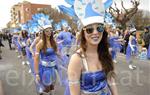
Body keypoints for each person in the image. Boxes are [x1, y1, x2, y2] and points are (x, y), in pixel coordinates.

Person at [67, 0, 118, 95]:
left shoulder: (106, 53)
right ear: (83, 33)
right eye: (89, 29)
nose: (95, 32)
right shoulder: (77, 59)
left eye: (99, 28)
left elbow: (110, 78)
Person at [34, 24, 58, 95]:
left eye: (50, 30)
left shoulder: (53, 41)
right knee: (47, 87)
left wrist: (64, 59)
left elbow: (57, 53)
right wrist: (37, 73)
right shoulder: (40, 43)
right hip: (45, 69)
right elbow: (36, 59)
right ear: (43, 32)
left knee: (52, 85)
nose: (49, 32)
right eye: (47, 31)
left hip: (53, 67)